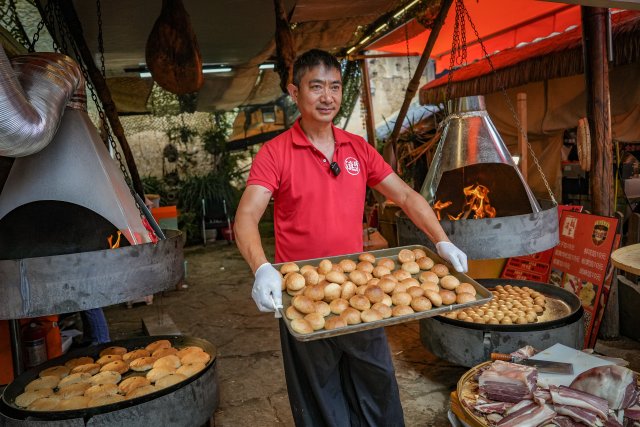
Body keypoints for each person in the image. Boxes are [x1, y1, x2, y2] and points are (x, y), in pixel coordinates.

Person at [234, 49, 468, 427]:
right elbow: (245, 216)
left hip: (360, 287)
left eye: (335, 87)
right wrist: (261, 268)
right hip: (303, 294)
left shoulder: (356, 147)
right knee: (320, 390)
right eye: (316, 87)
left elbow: (406, 195)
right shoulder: (275, 153)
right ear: (294, 92)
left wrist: (442, 240)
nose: (327, 97)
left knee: (375, 378)